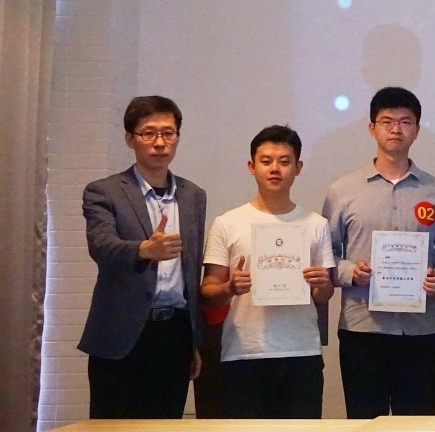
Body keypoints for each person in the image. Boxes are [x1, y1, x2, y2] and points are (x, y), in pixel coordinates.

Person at [322, 86, 435, 417]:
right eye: (387, 121)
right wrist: (351, 272)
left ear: (417, 128)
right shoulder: (343, 191)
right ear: (372, 128)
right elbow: (325, 256)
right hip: (362, 328)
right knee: (364, 421)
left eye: (405, 122)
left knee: (416, 422)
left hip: (419, 330)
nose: (396, 129)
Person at [78, 96, 206, 418]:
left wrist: (193, 341)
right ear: (130, 139)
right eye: (148, 133)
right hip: (122, 334)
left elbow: (191, 273)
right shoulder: (104, 191)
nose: (159, 142)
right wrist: (145, 249)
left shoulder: (193, 195)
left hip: (175, 334)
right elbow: (101, 247)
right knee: (112, 425)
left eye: (168, 133)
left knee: (166, 423)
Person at [200, 125, 335, 419]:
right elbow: (208, 290)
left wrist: (322, 283)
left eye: (284, 161)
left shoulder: (316, 224)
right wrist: (229, 287)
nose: (275, 169)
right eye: (266, 161)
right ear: (252, 167)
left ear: (298, 167)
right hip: (244, 353)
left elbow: (323, 295)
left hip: (301, 353)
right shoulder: (228, 223)